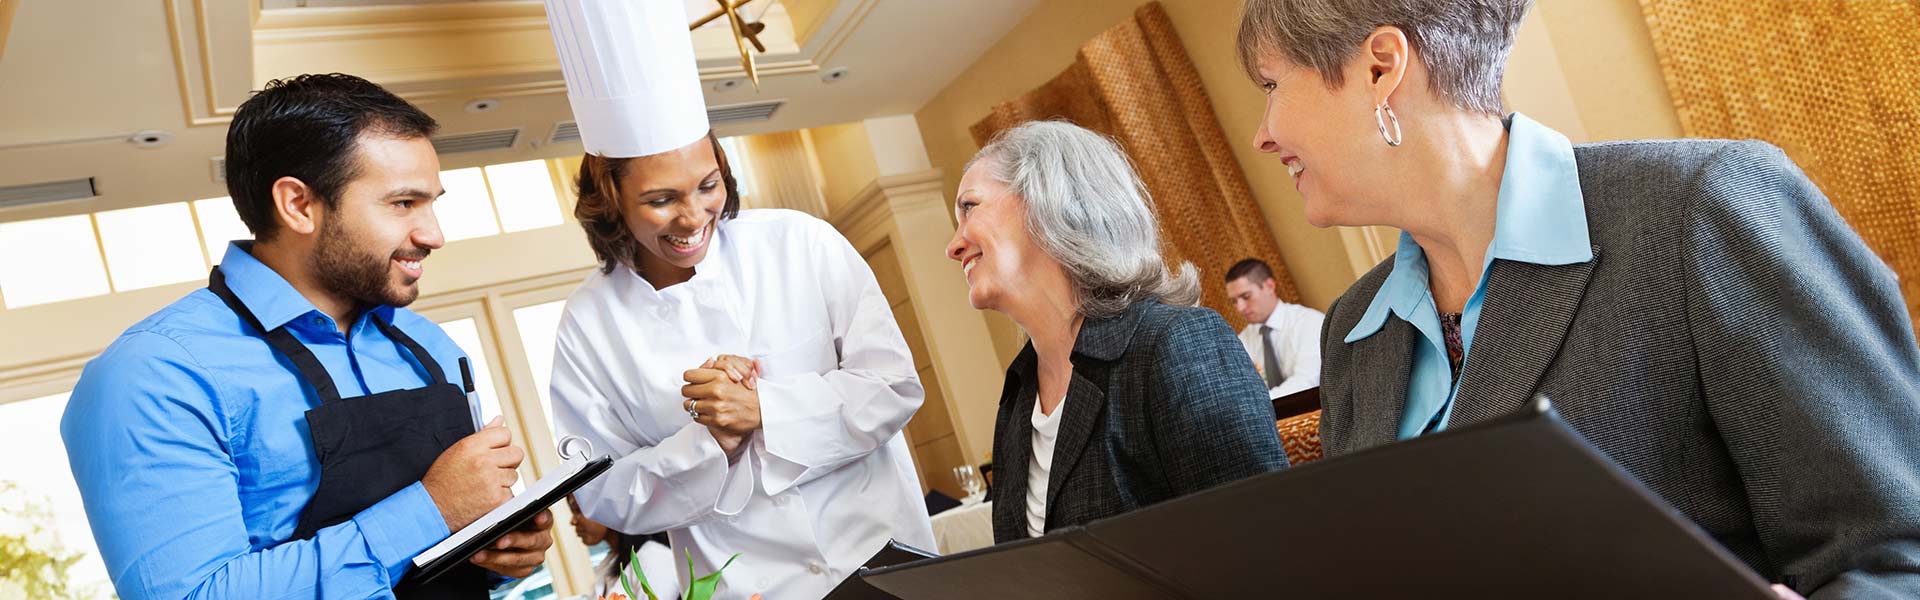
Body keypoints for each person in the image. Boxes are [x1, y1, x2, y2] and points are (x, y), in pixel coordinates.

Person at [1235, 0, 1920, 597]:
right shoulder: (1355, 328)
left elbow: (1898, 555)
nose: (1262, 134)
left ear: (1381, 68)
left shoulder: (1702, 209)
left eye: (1271, 85)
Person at [59, 73, 552, 600]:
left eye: (432, 203)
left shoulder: (427, 345)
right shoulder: (155, 373)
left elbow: (455, 531)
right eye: (403, 204)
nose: (433, 234)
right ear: (297, 204)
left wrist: (498, 549)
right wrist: (431, 509)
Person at [539, 2, 934, 598]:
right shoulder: (588, 324)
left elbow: (895, 387)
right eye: (661, 199)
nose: (695, 216)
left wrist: (765, 409)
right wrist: (709, 442)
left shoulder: (801, 242)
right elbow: (602, 492)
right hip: (743, 586)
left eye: (708, 185)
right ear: (611, 194)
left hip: (882, 555)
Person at [944, 120, 1289, 544]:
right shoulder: (1018, 394)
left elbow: (1267, 547)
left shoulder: (1176, 345)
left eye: (969, 207)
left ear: (1047, 198)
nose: (954, 245)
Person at [1223, 258, 1324, 398]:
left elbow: (1306, 382)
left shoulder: (1309, 322)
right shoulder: (1244, 339)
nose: (1240, 308)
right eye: (1234, 301)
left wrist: (1260, 403)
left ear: (1269, 286)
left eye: (1246, 296)